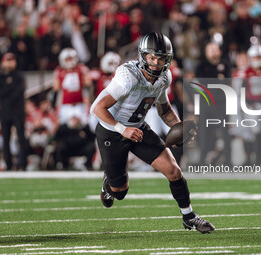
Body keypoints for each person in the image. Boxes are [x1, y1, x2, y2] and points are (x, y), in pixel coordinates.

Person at [90, 32, 215, 233]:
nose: (156, 63)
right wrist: (123, 129)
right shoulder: (128, 77)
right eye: (152, 57)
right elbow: (97, 108)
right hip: (112, 131)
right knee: (119, 192)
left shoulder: (164, 77)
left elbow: (164, 109)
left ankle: (189, 217)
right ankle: (109, 183)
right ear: (143, 56)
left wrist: (178, 127)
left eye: (161, 58)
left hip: (138, 129)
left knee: (173, 170)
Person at [0, 52, 27, 170]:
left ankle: (23, 164)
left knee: (21, 138)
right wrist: (10, 88)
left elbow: (19, 93)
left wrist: (7, 90)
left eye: (12, 60)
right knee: (5, 138)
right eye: (7, 61)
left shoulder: (19, 76)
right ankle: (8, 165)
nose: (9, 63)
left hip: (17, 111)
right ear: (3, 62)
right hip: (5, 111)